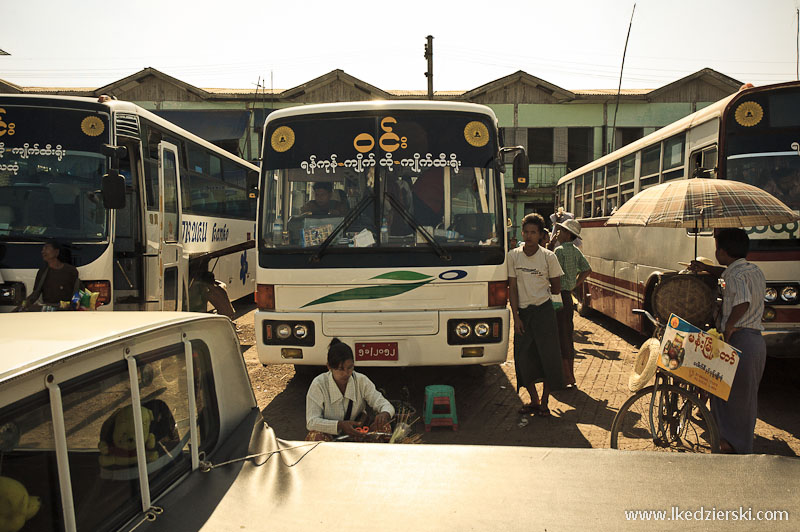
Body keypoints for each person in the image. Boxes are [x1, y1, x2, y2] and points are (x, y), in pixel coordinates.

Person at [690, 228, 766, 454]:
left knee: (729, 398)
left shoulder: (733, 276)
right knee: (743, 400)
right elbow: (726, 273)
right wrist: (706, 268)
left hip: (740, 339)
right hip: (756, 342)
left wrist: (730, 325)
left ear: (722, 251)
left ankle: (731, 446)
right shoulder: (753, 270)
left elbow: (741, 302)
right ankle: (732, 443)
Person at [507, 213, 565, 417]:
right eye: (526, 232)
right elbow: (512, 288)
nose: (529, 236)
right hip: (523, 313)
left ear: (541, 235)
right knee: (523, 358)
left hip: (544, 312)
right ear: (521, 233)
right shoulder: (513, 255)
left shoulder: (549, 257)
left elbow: (557, 287)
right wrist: (516, 317)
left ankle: (545, 403)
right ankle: (534, 399)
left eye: (534, 232)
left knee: (548, 358)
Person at [305, 339, 395, 441]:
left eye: (350, 367)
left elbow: (385, 404)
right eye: (340, 369)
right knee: (315, 436)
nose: (346, 373)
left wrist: (384, 414)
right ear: (329, 367)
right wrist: (340, 425)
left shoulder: (361, 381)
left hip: (359, 433)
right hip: (330, 436)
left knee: (384, 427)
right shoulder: (319, 384)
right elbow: (311, 422)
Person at [549, 219, 592, 388]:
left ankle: (566, 376)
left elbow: (551, 272)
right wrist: (575, 283)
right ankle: (569, 375)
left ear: (568, 234)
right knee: (567, 334)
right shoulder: (576, 251)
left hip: (557, 296)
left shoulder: (558, 251)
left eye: (560, 231)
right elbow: (587, 269)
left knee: (559, 335)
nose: (557, 233)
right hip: (568, 296)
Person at [19, 241, 81, 311]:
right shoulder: (42, 272)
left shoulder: (71, 271)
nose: (43, 252)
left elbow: (77, 292)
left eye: (46, 248)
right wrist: (23, 305)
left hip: (66, 310)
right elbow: (35, 294)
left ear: (56, 252)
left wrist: (75, 303)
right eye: (43, 249)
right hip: (48, 310)